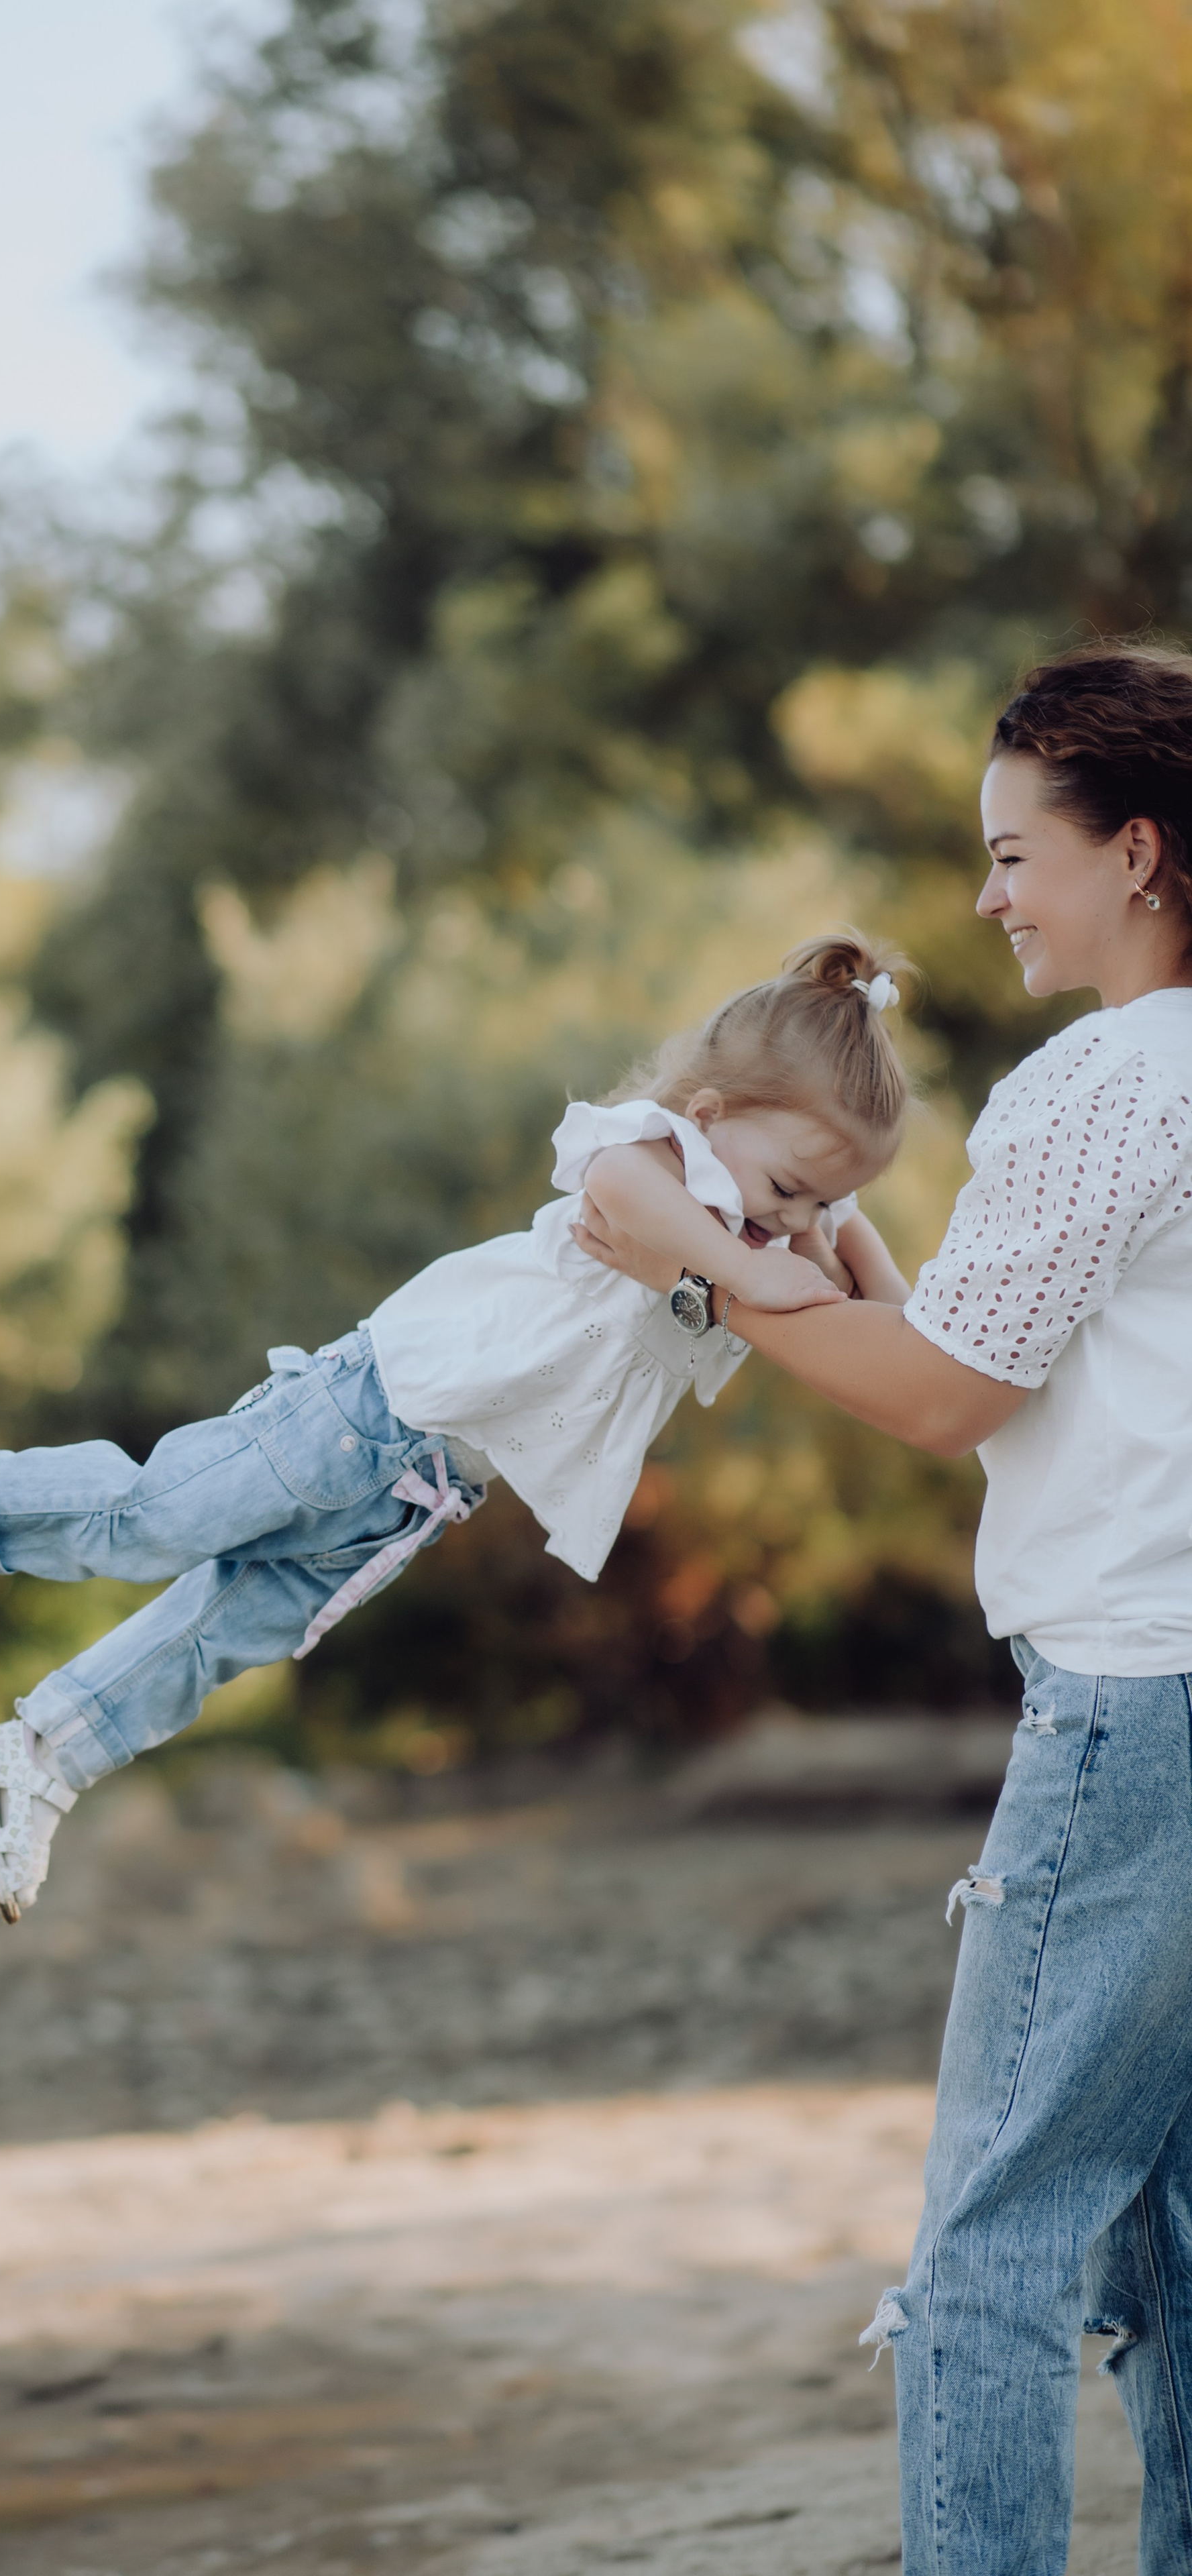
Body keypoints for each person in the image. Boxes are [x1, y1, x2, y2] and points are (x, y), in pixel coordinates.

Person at [574, 644, 1192, 2576]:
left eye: (1020, 855)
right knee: (1169, 2234)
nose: (994, 898)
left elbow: (939, 1399)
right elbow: (1015, 1341)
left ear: (1145, 852)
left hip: (1130, 1708)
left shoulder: (1100, 1080)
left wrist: (690, 1254)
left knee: (994, 2245)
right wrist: (835, 1267)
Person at [0, 932, 913, 1923]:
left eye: (825, 1200)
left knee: (236, 1627)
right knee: (160, 1517)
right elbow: (641, 1203)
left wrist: (836, 1228)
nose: (796, 1219)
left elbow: (894, 1322)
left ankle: (38, 1756)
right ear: (711, 1116)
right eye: (790, 1187)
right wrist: (757, 1266)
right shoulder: (652, 1160)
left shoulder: (768, 1234)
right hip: (375, 1405)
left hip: (428, 1484)